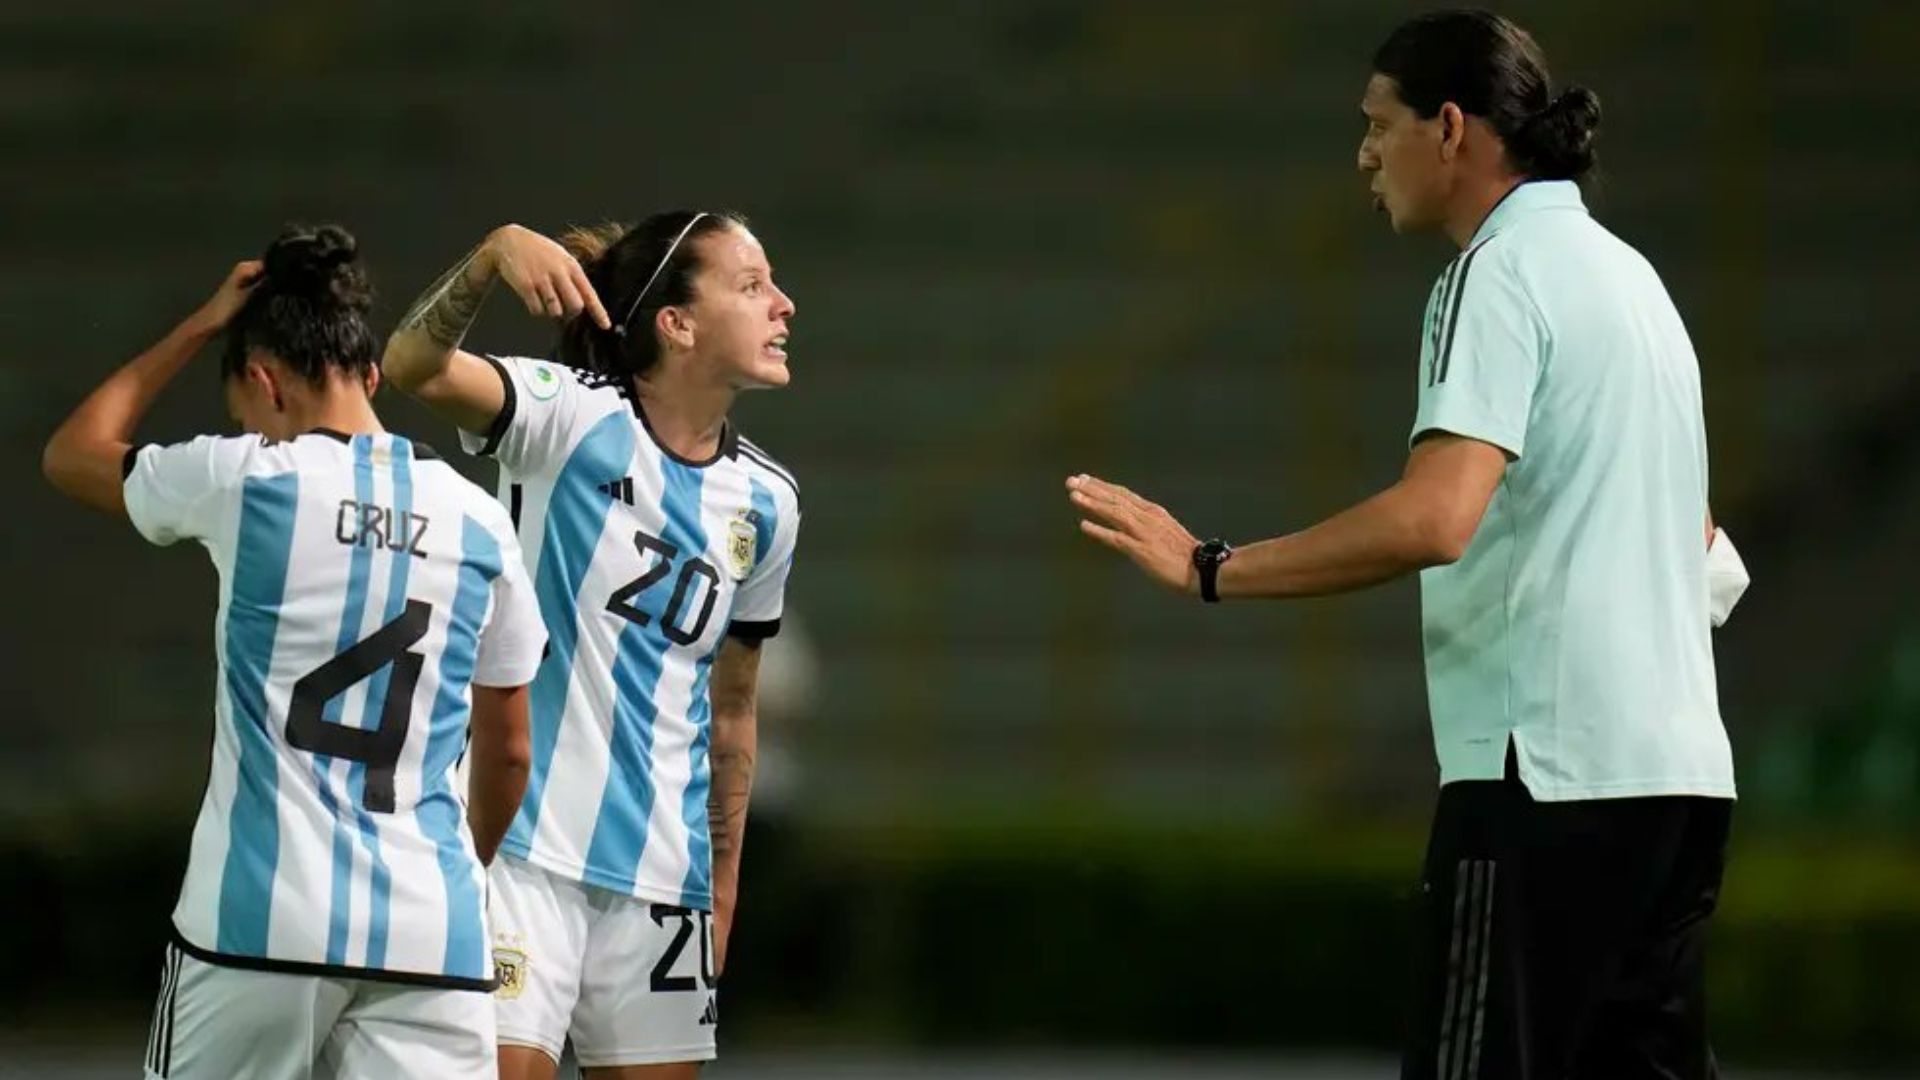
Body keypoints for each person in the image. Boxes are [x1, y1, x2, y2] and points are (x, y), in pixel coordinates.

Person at [1067, 11, 1747, 1078]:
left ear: (1451, 128)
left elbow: (1437, 516)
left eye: (1377, 124)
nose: (1363, 155)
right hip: (1678, 784)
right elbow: (1705, 549)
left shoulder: (1496, 274)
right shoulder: (1634, 283)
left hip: (1543, 784)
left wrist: (1211, 569)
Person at [40, 224, 546, 1079]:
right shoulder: (481, 522)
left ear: (264, 382)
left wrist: (199, 325)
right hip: (433, 931)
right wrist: (453, 876)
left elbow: (73, 456)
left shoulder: (246, 478)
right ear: (373, 375)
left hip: (256, 923)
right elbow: (511, 753)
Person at [381, 211, 802, 1079]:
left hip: (664, 880)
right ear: (676, 324)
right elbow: (409, 365)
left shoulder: (768, 503)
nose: (784, 305)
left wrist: (722, 880)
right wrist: (490, 252)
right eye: (753, 286)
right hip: (517, 853)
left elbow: (734, 708)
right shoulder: (563, 417)